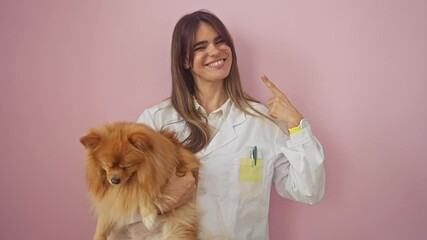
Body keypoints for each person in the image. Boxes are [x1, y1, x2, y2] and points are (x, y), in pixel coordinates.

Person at [122, 9, 324, 240]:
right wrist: (166, 201)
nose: (215, 51)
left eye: (220, 42)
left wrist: (297, 125)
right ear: (185, 60)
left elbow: (309, 191)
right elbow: (121, 206)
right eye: (200, 47)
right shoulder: (156, 121)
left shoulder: (262, 121)